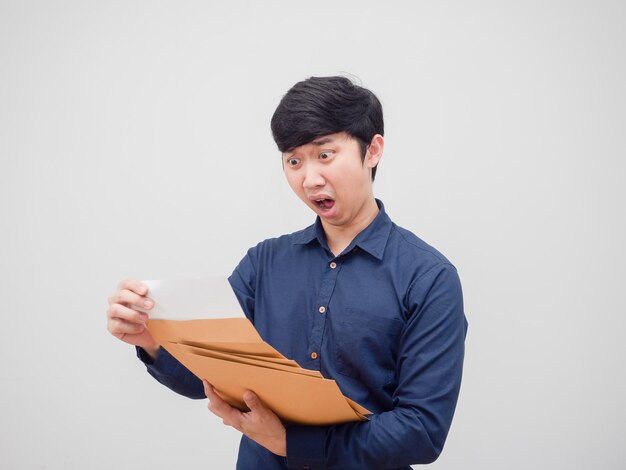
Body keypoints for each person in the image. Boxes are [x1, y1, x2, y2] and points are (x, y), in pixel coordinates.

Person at [107, 76, 468, 469]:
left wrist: (291, 442)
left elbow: (422, 432)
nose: (309, 179)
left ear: (373, 150)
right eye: (294, 161)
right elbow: (205, 380)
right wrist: (152, 341)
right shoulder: (263, 263)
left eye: (325, 155)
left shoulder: (429, 278)